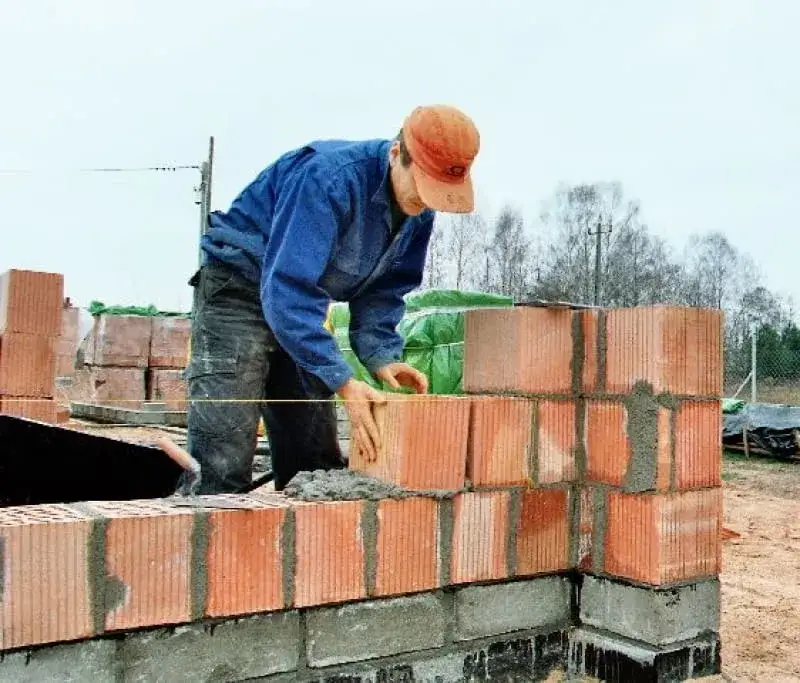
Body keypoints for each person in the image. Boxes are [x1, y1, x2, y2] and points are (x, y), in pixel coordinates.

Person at [182, 104, 481, 494]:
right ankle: (208, 542)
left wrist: (381, 355)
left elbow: (386, 287)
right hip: (239, 290)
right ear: (396, 154)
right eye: (422, 187)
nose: (424, 203)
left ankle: (303, 551)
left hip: (300, 306)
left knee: (314, 466)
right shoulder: (329, 179)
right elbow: (286, 287)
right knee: (223, 459)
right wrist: (344, 382)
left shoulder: (418, 210)